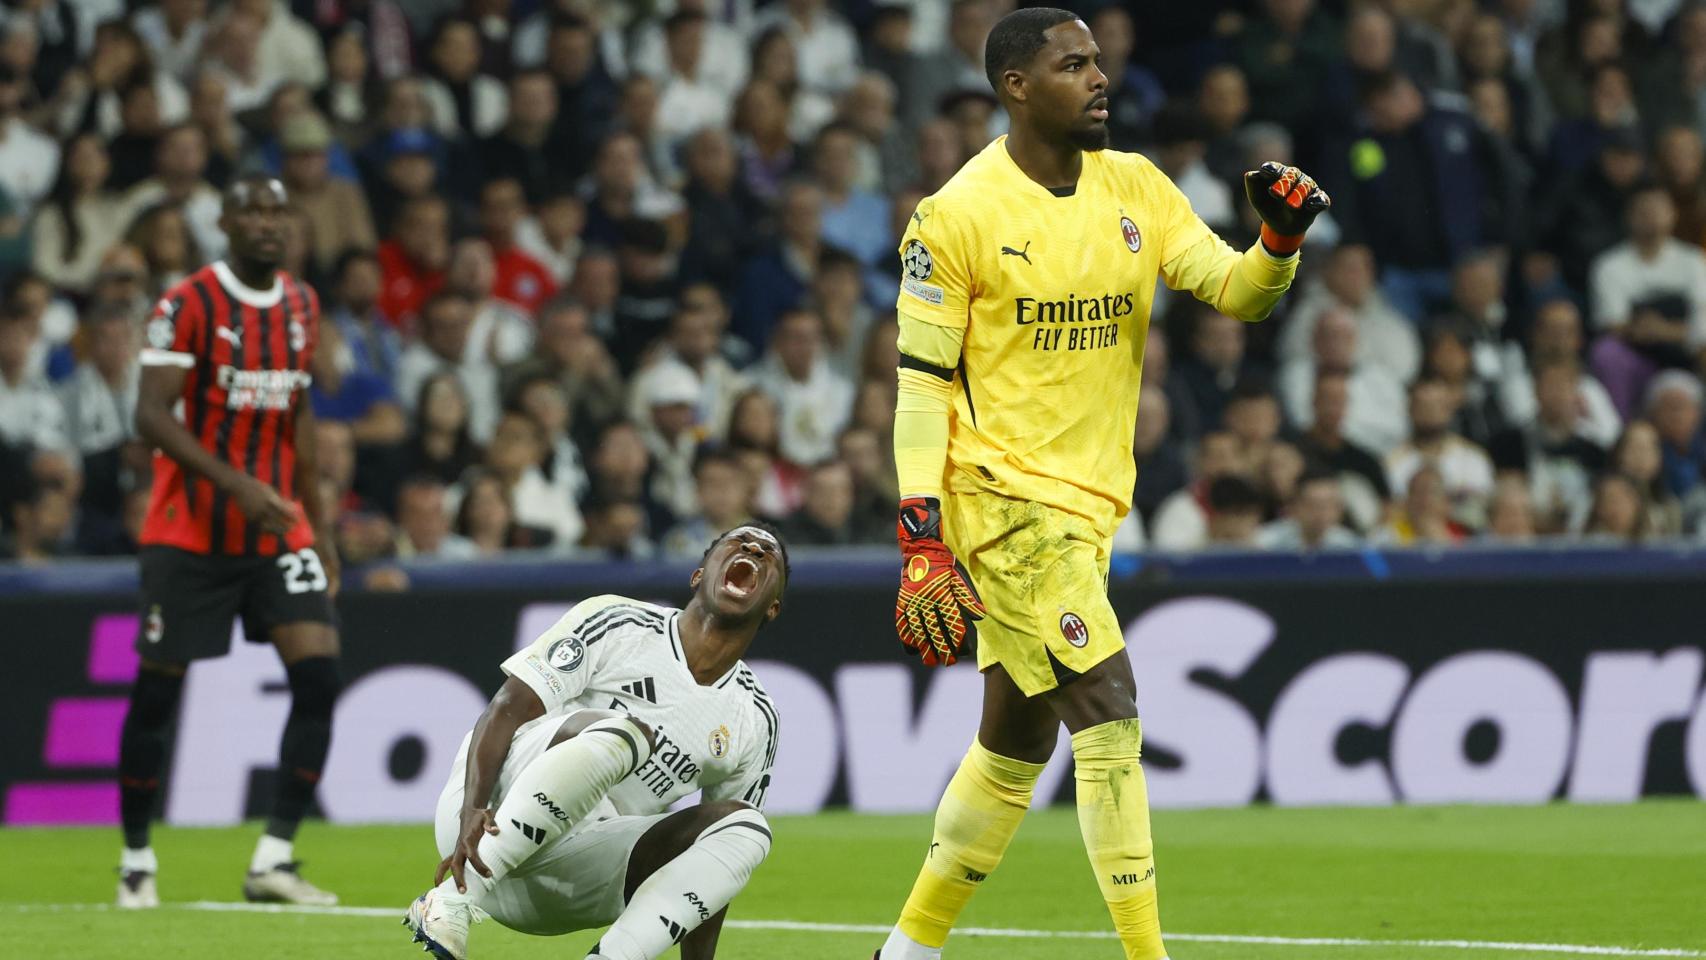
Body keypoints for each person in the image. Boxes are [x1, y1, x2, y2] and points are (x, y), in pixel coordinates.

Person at [878, 10, 1329, 960]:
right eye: (1072, 64)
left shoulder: (1137, 186)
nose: (1099, 78)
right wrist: (922, 535)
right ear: (1015, 86)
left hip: (1086, 510)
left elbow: (1236, 293)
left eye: (1098, 62)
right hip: (998, 503)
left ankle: (907, 950)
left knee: (1013, 745)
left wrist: (1278, 244)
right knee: (1110, 709)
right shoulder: (956, 215)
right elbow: (919, 391)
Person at [406, 525, 786, 960]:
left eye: (768, 554)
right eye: (738, 543)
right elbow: (507, 707)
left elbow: (717, 865)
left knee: (748, 829)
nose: (754, 549)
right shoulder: (619, 622)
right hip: (481, 830)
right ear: (698, 576)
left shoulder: (755, 717)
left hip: (565, 884)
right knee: (625, 733)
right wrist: (471, 808)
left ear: (772, 606)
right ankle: (449, 903)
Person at [118, 176, 341, 909]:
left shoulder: (302, 304)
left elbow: (298, 418)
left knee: (318, 679)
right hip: (188, 534)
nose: (268, 223)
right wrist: (237, 484)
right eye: (252, 210)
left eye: (279, 210)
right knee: (158, 697)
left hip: (279, 529)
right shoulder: (186, 304)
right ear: (224, 222)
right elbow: (150, 415)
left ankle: (273, 859)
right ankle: (137, 861)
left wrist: (322, 526)